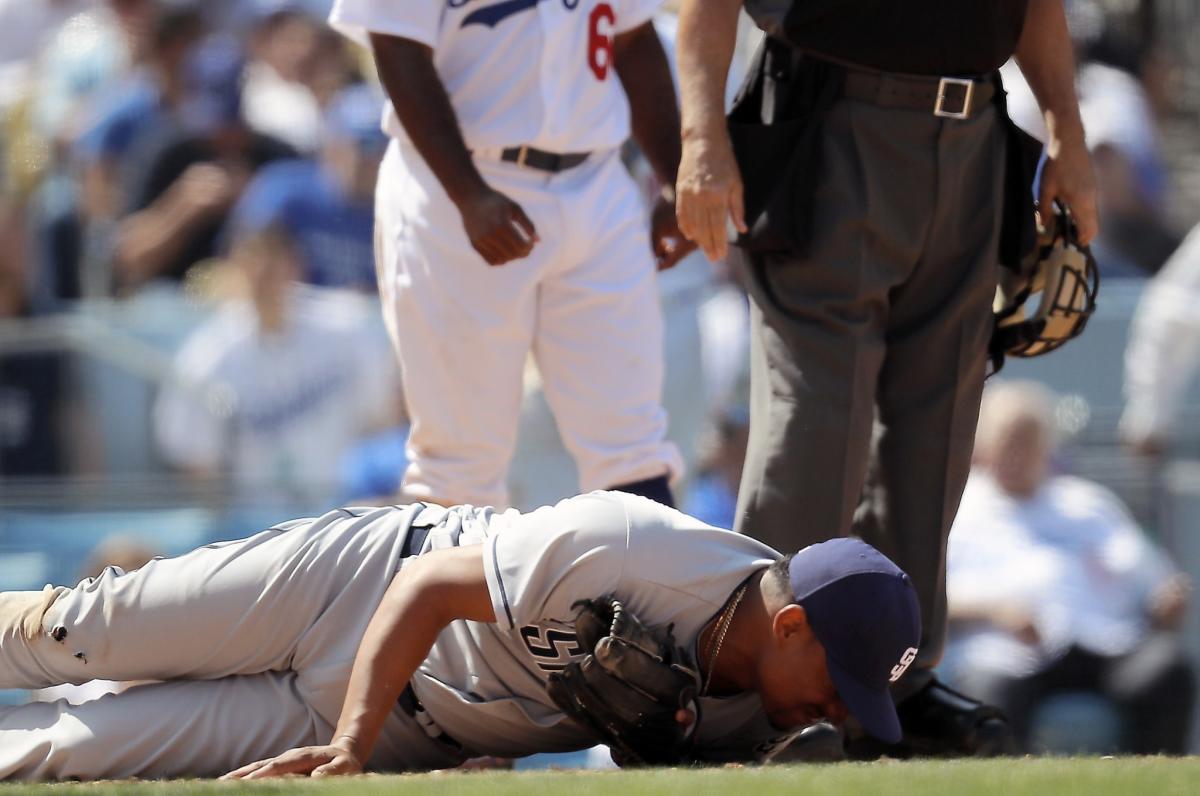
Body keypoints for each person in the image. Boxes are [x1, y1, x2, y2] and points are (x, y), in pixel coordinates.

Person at [672, 0, 1100, 755]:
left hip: (973, 128)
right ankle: (757, 693)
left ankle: (895, 681)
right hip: (830, 116)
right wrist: (701, 135)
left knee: (936, 428)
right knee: (815, 427)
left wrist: (1065, 125)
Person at [0, 491, 921, 780]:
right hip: (352, 586)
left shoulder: (758, 723)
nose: (838, 710)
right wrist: (350, 747)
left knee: (58, 756)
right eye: (842, 682)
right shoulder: (638, 545)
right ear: (791, 624)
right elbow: (426, 587)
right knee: (72, 635)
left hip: (412, 727)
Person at [325, 0, 691, 510]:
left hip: (597, 179)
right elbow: (395, 44)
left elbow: (632, 38)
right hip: (458, 180)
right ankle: (456, 589)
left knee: (632, 443)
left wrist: (676, 177)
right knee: (459, 463)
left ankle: (649, 587)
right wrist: (467, 192)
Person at [946, 380, 1195, 754]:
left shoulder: (1087, 503)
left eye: (1027, 440)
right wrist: (994, 611)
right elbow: (925, 600)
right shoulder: (958, 511)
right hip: (1006, 653)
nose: (1016, 453)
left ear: (1047, 446)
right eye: (1007, 439)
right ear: (983, 445)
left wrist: (1165, 600)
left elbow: (1151, 580)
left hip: (1102, 643)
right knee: (990, 700)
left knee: (1166, 671)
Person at [152, 224, 401, 509]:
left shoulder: (347, 330)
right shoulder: (207, 356)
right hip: (255, 524)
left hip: (345, 510)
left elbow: (383, 425)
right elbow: (197, 462)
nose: (264, 276)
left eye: (274, 261)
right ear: (236, 269)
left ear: (295, 264)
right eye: (253, 262)